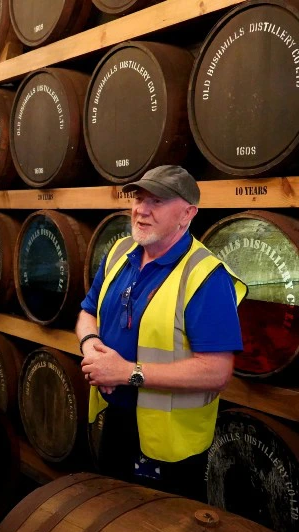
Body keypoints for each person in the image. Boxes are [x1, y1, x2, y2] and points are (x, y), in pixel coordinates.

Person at [76, 165, 247, 501]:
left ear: (187, 214)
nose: (141, 209)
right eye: (139, 198)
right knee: (112, 520)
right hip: (114, 420)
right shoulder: (119, 253)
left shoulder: (206, 277)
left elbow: (216, 372)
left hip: (169, 444)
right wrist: (91, 346)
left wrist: (127, 373)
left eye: (157, 201)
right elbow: (87, 312)